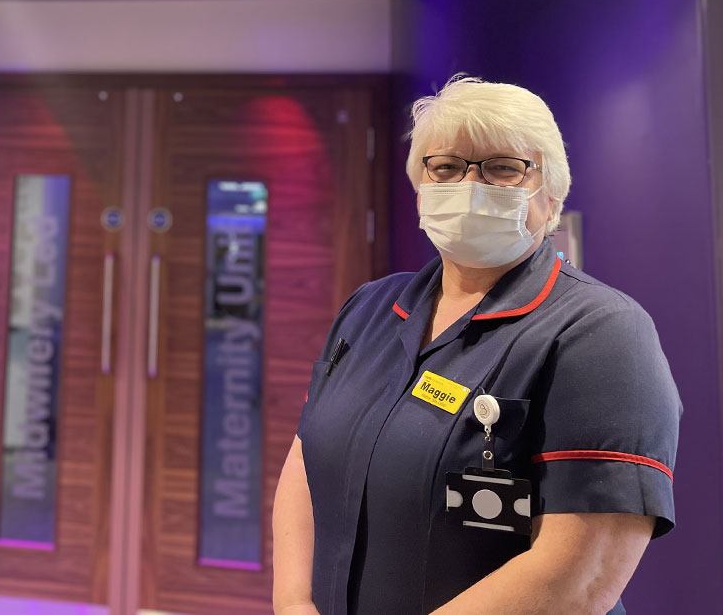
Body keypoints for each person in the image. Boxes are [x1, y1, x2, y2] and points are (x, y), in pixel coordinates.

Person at [272, 76, 680, 614]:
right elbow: (307, 458)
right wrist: (294, 603)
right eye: (446, 167)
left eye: (503, 167)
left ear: (552, 192)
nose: (469, 185)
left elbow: (580, 576)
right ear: (421, 183)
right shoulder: (370, 308)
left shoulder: (600, 332)